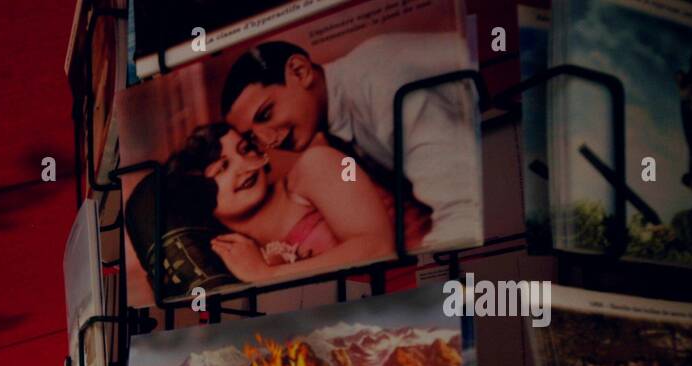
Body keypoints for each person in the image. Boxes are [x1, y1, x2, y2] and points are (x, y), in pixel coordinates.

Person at [221, 35, 480, 249]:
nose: (268, 140)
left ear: (300, 72)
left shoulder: (378, 82)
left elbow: (463, 211)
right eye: (253, 136)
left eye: (266, 114)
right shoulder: (328, 130)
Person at [167, 123, 425, 286]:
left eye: (246, 150)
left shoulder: (314, 165)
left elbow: (377, 248)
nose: (247, 165)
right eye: (222, 167)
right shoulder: (238, 255)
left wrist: (266, 275)